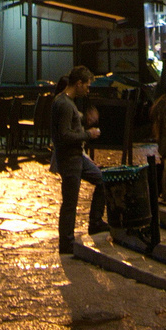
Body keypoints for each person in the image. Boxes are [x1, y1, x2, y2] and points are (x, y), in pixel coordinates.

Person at [52, 65, 106, 255]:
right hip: (70, 159)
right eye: (87, 86)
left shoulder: (66, 101)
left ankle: (96, 221)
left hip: (77, 158)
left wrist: (84, 120)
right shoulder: (65, 104)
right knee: (70, 202)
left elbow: (71, 123)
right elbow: (65, 135)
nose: (88, 90)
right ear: (79, 83)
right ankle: (66, 243)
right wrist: (88, 134)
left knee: (102, 179)